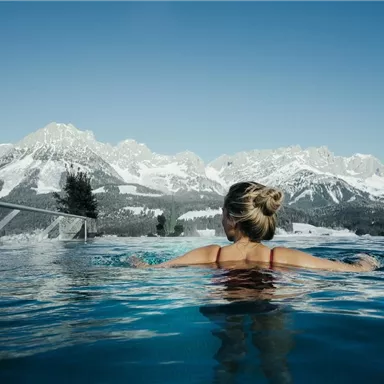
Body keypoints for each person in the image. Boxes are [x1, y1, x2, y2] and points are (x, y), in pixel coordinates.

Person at [131, 181, 379, 272]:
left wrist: (135, 261)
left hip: (226, 304)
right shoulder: (279, 256)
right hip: (269, 302)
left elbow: (153, 269)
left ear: (233, 219)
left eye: (223, 212)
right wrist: (365, 263)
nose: (220, 218)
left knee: (228, 356)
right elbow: (347, 270)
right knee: (275, 360)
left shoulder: (211, 254)